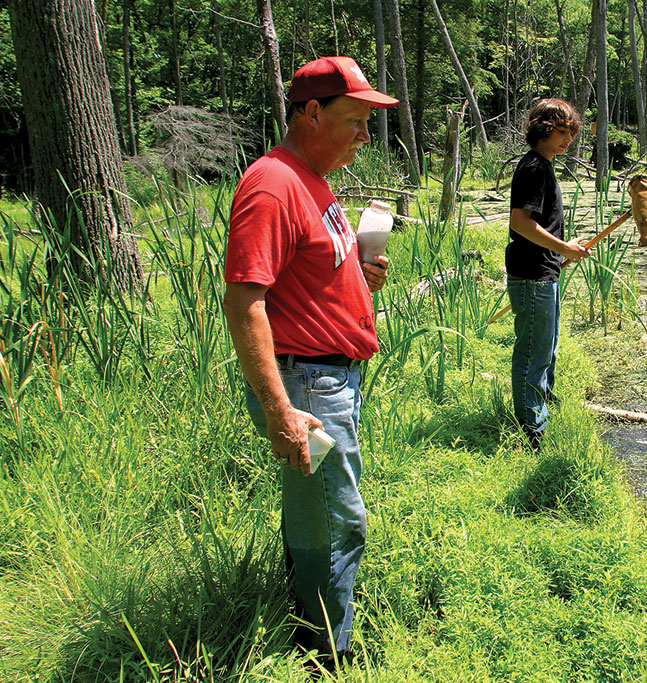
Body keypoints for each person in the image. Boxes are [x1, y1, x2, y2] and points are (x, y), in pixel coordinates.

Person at [222, 56, 397, 662]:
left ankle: (312, 626)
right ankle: (326, 655)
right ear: (312, 112)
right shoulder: (273, 184)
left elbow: (304, 276)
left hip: (327, 378)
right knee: (337, 524)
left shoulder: (313, 179)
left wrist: (358, 276)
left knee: (316, 514)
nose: (365, 136)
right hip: (307, 385)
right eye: (356, 120)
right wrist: (280, 410)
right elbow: (244, 300)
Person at [505, 99, 589, 446]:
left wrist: (564, 246)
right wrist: (564, 249)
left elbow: (540, 224)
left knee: (547, 347)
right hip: (532, 274)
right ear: (543, 129)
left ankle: (545, 404)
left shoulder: (543, 165)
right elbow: (520, 222)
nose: (568, 139)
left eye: (572, 133)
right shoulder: (534, 167)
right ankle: (532, 428)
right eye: (562, 131)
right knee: (533, 353)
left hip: (544, 271)